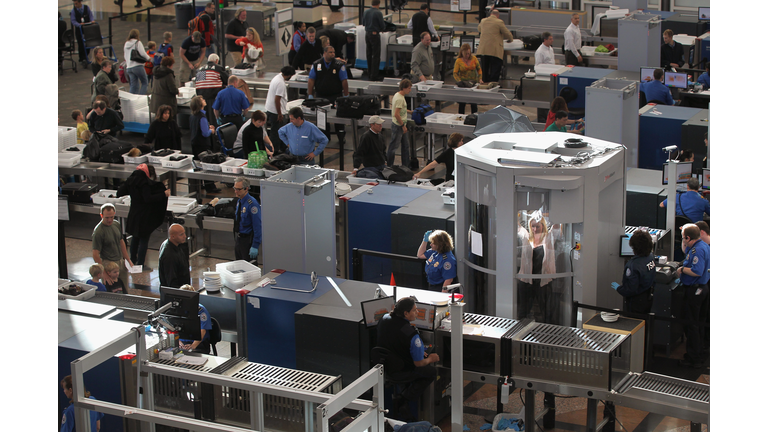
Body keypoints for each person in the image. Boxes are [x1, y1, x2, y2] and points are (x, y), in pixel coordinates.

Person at [376, 297, 440, 421]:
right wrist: (431, 359)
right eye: (415, 310)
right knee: (431, 372)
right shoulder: (411, 335)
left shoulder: (383, 319)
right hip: (402, 370)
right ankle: (404, 399)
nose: (417, 313)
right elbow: (419, 362)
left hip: (385, 365)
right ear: (406, 313)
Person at [117, 164, 170, 268]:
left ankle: (132, 260)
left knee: (135, 238)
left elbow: (120, 192)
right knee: (144, 240)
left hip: (134, 213)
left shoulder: (131, 180)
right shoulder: (144, 183)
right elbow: (148, 198)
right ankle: (140, 264)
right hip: (145, 215)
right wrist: (163, 195)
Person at [517, 209, 563, 324]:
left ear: (542, 225)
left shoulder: (548, 237)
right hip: (527, 281)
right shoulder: (526, 237)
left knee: (546, 311)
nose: (535, 229)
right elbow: (516, 226)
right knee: (524, 310)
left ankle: (548, 334)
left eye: (537, 226)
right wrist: (518, 210)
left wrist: (549, 210)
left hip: (543, 282)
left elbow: (557, 225)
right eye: (532, 226)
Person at [676, 224, 710, 368]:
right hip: (702, 289)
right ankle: (699, 351)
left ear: (688, 238)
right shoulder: (701, 245)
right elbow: (686, 252)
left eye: (684, 238)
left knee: (691, 324)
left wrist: (682, 269)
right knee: (699, 323)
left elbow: (697, 271)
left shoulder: (699, 250)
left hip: (695, 291)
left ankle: (693, 357)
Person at [307, 45, 350, 146]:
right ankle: (324, 137)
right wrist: (310, 95)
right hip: (321, 96)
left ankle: (341, 137)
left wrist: (346, 96)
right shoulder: (316, 64)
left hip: (336, 95)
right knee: (322, 118)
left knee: (338, 117)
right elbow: (311, 80)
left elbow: (344, 81)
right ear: (324, 53)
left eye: (334, 52)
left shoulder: (339, 65)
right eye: (330, 52)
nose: (333, 54)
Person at [610, 230, 655, 314]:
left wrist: (619, 288)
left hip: (636, 302)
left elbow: (630, 289)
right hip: (648, 297)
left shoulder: (633, 265)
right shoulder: (650, 257)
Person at [92, 202, 133, 288]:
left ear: (114, 214)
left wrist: (128, 259)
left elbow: (121, 241)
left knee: (124, 286)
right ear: (101, 215)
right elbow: (95, 254)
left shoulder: (116, 224)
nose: (110, 220)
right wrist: (104, 273)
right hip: (109, 264)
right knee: (112, 288)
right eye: (107, 217)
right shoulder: (99, 232)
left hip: (120, 261)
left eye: (111, 217)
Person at [477, 10, 513, 83]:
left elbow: (479, 29)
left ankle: (484, 83)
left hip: (484, 49)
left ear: (490, 14)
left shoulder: (483, 21)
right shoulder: (499, 22)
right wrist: (511, 39)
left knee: (485, 68)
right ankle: (493, 83)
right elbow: (507, 33)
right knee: (495, 68)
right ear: (498, 16)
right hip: (494, 50)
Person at [265, 66, 295, 153]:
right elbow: (277, 99)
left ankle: (279, 148)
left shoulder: (277, 77)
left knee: (276, 132)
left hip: (271, 110)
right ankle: (276, 150)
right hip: (276, 112)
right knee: (277, 133)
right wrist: (280, 114)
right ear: (289, 75)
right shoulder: (280, 83)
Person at [195, 53, 230, 127]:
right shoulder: (218, 68)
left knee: (205, 119)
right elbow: (227, 80)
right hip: (214, 97)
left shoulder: (200, 70)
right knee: (214, 120)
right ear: (216, 61)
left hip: (201, 97)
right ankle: (216, 135)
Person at [233, 176, 262, 262]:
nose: (235, 191)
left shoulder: (252, 204)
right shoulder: (240, 201)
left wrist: (255, 245)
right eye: (235, 188)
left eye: (238, 189)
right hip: (239, 239)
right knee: (239, 267)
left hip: (248, 241)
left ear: (246, 189)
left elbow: (257, 226)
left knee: (249, 269)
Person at [178, 284, 214, 353]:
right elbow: (171, 327)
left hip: (198, 344)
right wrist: (179, 343)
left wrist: (193, 346)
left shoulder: (201, 311)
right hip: (182, 343)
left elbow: (202, 331)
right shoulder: (177, 309)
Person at [387, 78, 412, 168]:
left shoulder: (397, 95)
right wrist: (403, 126)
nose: (410, 90)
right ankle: (389, 165)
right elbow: (396, 114)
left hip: (401, 125)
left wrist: (410, 112)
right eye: (409, 88)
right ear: (404, 88)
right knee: (393, 147)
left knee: (405, 146)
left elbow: (402, 109)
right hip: (398, 126)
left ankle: (406, 166)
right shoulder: (400, 99)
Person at [453, 43, 483, 114]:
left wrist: (480, 78)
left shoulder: (474, 59)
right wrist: (459, 81)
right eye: (466, 54)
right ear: (462, 53)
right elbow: (455, 73)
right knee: (462, 103)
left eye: (468, 53)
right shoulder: (458, 61)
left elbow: (479, 69)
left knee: (474, 103)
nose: (467, 55)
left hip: (473, 84)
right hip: (463, 85)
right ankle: (461, 118)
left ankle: (475, 118)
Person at [158, 224, 191, 288]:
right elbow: (171, 281)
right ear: (172, 236)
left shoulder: (176, 244)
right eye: (181, 234)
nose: (185, 236)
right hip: (176, 292)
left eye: (184, 233)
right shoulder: (169, 256)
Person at [363, 0, 386, 81]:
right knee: (376, 55)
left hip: (367, 34)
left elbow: (363, 23)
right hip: (374, 35)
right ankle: (374, 75)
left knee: (369, 54)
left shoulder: (366, 12)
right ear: (378, 4)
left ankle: (369, 73)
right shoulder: (378, 13)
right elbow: (382, 25)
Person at [124, 29, 151, 95]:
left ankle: (132, 100)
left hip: (129, 67)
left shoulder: (126, 44)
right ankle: (141, 98)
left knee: (134, 85)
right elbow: (142, 53)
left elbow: (125, 56)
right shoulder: (137, 43)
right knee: (144, 82)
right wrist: (149, 58)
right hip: (137, 66)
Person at [70, 0, 94, 65]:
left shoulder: (86, 8)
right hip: (79, 29)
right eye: (74, 4)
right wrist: (79, 24)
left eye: (76, 4)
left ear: (80, 2)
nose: (75, 5)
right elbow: (73, 20)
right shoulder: (73, 11)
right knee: (80, 43)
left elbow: (90, 15)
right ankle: (82, 58)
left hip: (87, 28)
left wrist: (92, 21)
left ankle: (86, 55)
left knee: (88, 42)